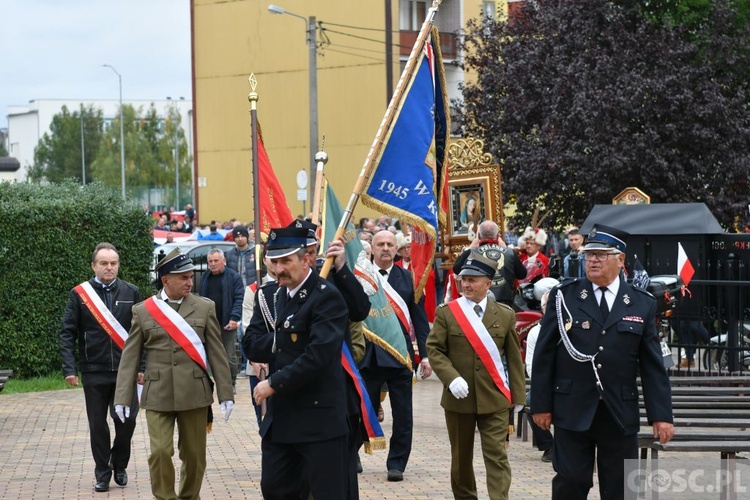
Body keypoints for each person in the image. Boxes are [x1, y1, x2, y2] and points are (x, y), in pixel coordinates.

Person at [531, 224, 674, 499]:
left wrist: (661, 416)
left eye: (601, 254)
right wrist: (540, 404)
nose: (593, 260)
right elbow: (544, 355)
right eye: (589, 254)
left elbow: (652, 366)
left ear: (620, 259)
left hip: (619, 412)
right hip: (572, 409)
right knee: (570, 483)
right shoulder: (565, 297)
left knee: (621, 489)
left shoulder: (641, 303)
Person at [114, 248, 234, 500]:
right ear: (165, 279)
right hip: (158, 393)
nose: (190, 282)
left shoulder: (204, 307)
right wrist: (123, 397)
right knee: (158, 452)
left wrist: (225, 393)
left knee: (194, 455)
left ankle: (190, 497)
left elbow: (216, 352)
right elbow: (130, 357)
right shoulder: (143, 310)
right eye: (183, 277)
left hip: (194, 392)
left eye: (191, 277)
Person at [244, 226, 350, 499]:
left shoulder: (326, 296)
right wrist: (285, 342)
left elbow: (319, 356)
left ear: (306, 260)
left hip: (318, 419)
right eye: (275, 261)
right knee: (275, 489)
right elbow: (251, 344)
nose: (279, 268)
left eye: (286, 261)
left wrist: (273, 383)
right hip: (282, 419)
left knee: (328, 493)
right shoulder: (275, 296)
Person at [427, 251, 526, 500]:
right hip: (459, 398)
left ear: (488, 283)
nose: (466, 284)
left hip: (495, 397)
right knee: (461, 458)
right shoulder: (447, 313)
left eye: (473, 279)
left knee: (497, 456)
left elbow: (514, 358)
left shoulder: (504, 314)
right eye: (463, 279)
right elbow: (435, 350)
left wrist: (518, 397)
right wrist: (451, 378)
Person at [59, 242, 142, 493]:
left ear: (118, 265)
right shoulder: (79, 295)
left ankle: (119, 464)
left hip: (125, 372)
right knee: (98, 425)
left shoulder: (132, 291)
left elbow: (142, 333)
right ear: (93, 265)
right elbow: (67, 332)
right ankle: (103, 473)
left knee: (126, 423)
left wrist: (143, 366)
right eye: (104, 263)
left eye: (113, 263)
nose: (109, 267)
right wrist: (70, 368)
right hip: (94, 370)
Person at [359, 230, 432, 482]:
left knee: (403, 415)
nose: (386, 248)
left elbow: (420, 320)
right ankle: (352, 453)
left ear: (397, 248)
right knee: (359, 409)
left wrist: (425, 356)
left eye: (391, 244)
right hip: (367, 356)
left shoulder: (409, 278)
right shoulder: (361, 277)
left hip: (400, 356)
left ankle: (397, 463)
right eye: (381, 244)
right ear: (373, 247)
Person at [452, 220, 527, 307]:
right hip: (505, 304)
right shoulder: (510, 253)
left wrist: (471, 247)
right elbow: (522, 274)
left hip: (479, 303)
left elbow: (456, 269)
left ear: (479, 235)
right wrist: (506, 249)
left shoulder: (471, 253)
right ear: (498, 236)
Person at [199, 248, 244, 391]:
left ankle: (231, 383)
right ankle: (219, 383)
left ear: (223, 261)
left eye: (216, 261)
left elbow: (239, 299)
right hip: (210, 323)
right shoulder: (205, 277)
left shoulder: (233, 277)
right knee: (212, 356)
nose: (212, 264)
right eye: (210, 261)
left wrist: (234, 318)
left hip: (227, 322)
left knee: (229, 356)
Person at [523, 285, 556, 463]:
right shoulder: (535, 332)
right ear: (542, 309)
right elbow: (531, 365)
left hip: (568, 382)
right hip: (544, 382)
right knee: (530, 401)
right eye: (546, 306)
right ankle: (548, 445)